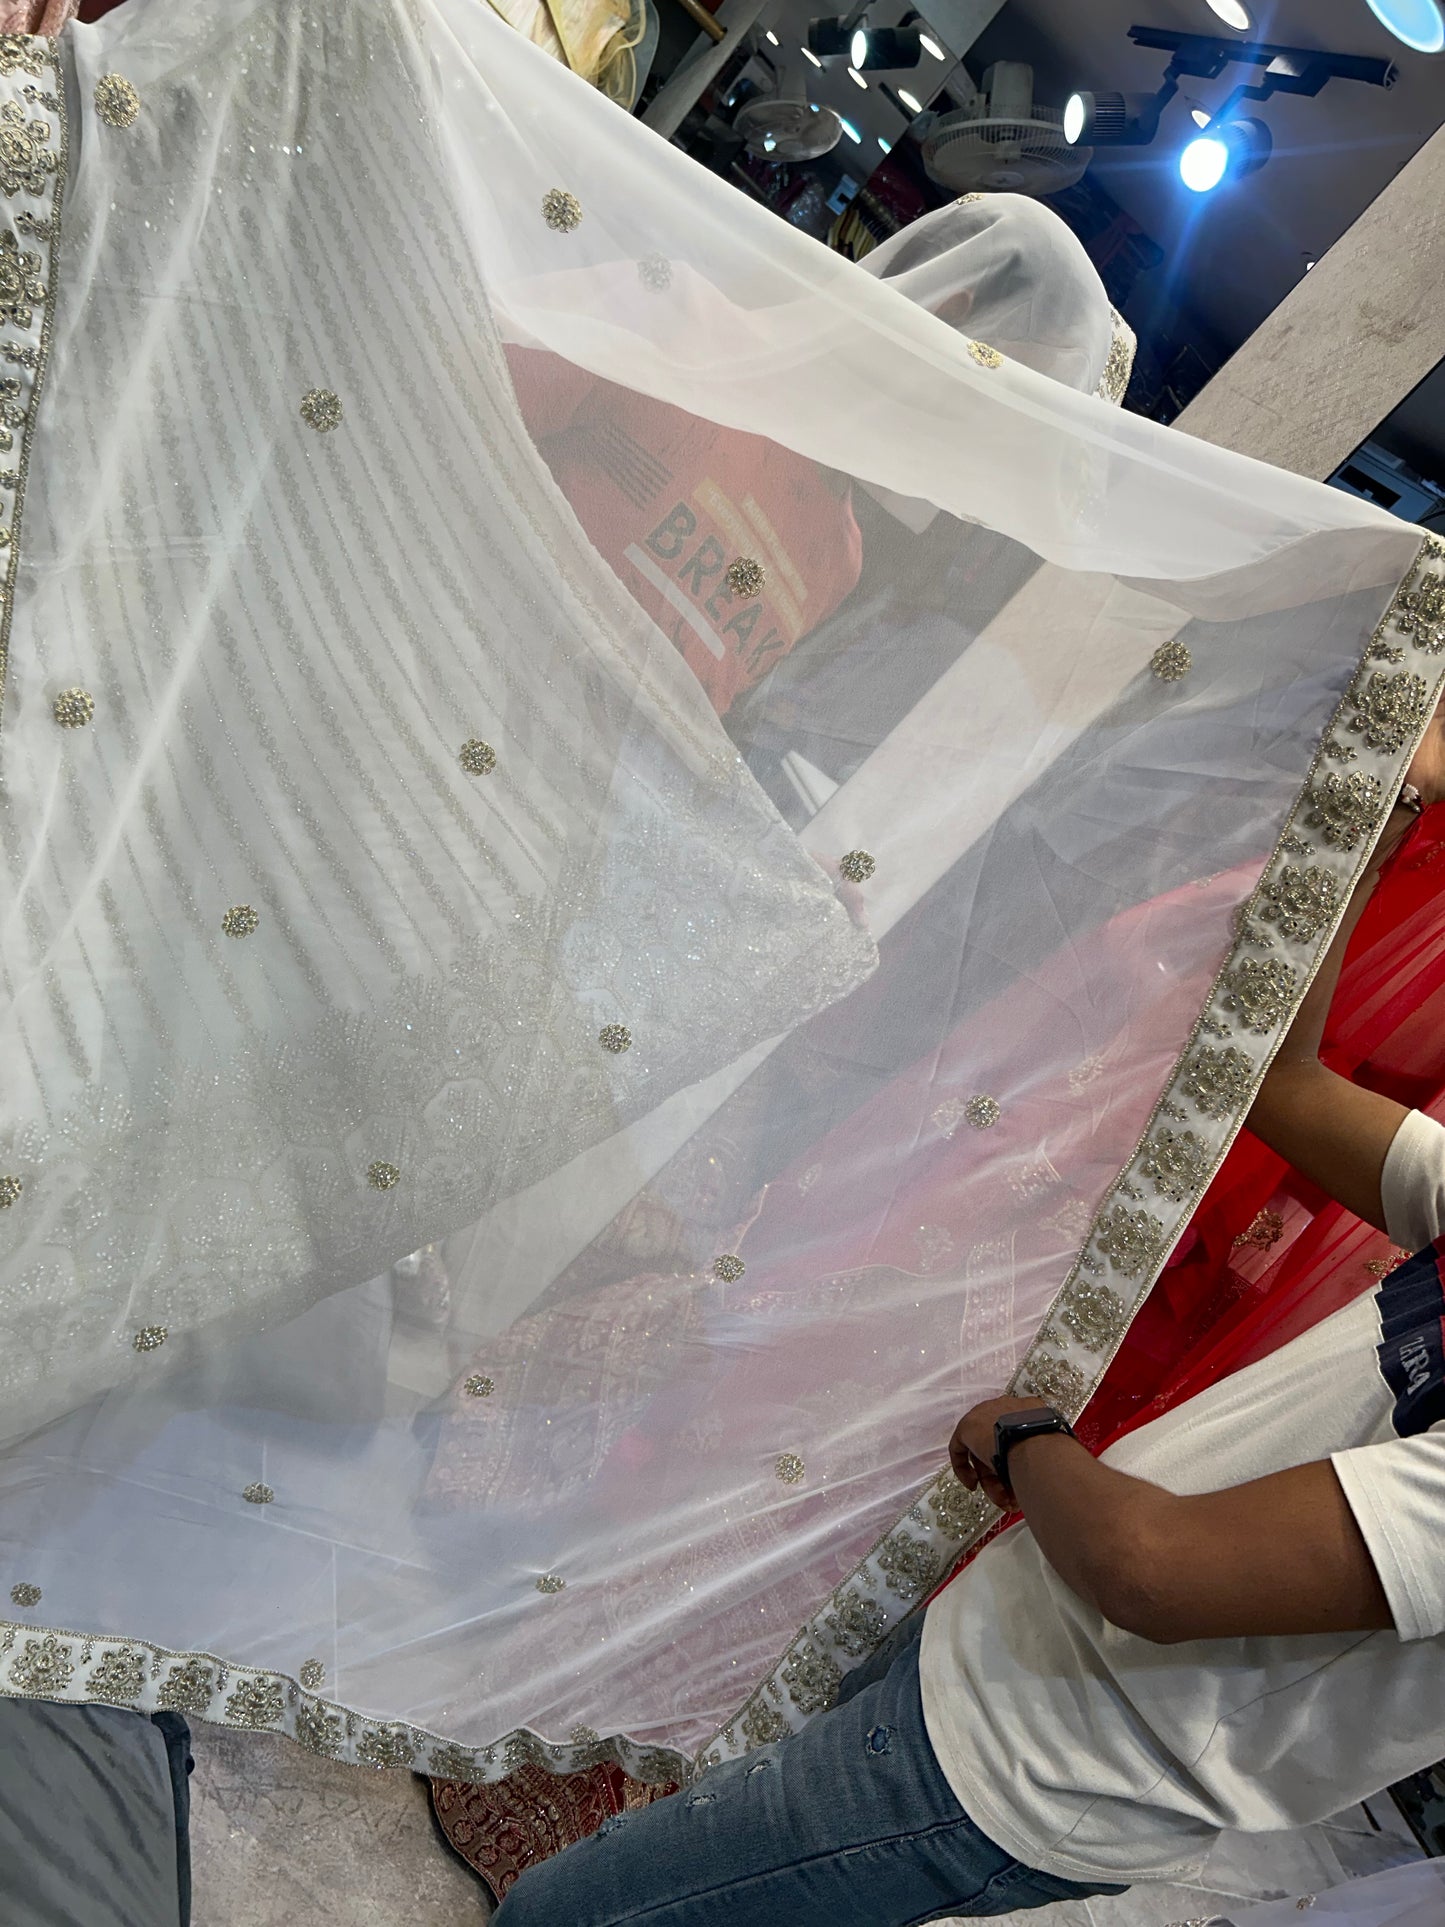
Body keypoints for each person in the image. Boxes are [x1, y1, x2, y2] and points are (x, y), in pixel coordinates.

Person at [492, 763, 1445, 1922]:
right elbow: (1280, 1082)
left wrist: (1023, 1434)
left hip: (1044, 1766)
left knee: (566, 1913)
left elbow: (1151, 1571)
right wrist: (1380, 807)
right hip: (1003, 1653)